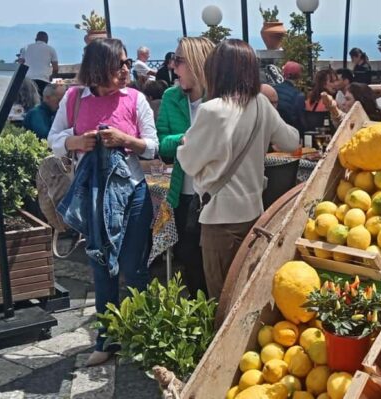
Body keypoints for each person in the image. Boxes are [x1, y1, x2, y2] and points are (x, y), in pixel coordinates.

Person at [47, 38, 158, 366]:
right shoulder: (74, 99)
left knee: (132, 267)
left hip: (132, 193)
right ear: (98, 69)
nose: (126, 70)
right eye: (118, 65)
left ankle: (145, 335)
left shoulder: (135, 99)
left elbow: (151, 146)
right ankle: (107, 339)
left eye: (126, 63)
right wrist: (77, 141)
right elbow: (54, 140)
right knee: (100, 265)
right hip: (95, 195)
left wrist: (125, 140)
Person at [177, 39, 299, 298]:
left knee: (222, 297)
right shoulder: (261, 104)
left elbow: (188, 162)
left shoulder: (212, 111)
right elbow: (291, 141)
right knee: (248, 294)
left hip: (219, 218)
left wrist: (187, 143)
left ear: (217, 72)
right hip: (255, 215)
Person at [156, 37, 214, 297]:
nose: (173, 67)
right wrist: (184, 139)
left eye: (178, 61)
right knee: (189, 257)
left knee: (214, 261)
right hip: (184, 193)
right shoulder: (171, 97)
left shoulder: (220, 100)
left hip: (215, 193)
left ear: (196, 63)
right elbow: (161, 144)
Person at [20, 32, 59, 96]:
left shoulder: (26, 48)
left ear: (36, 39)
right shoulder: (51, 49)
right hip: (43, 80)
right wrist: (51, 78)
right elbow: (55, 68)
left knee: (28, 101)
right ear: (47, 40)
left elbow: (20, 64)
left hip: (28, 80)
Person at [273, 61, 306, 135]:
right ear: (299, 76)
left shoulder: (273, 89)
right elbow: (300, 120)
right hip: (289, 132)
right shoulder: (298, 95)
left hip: (273, 131)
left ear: (283, 74)